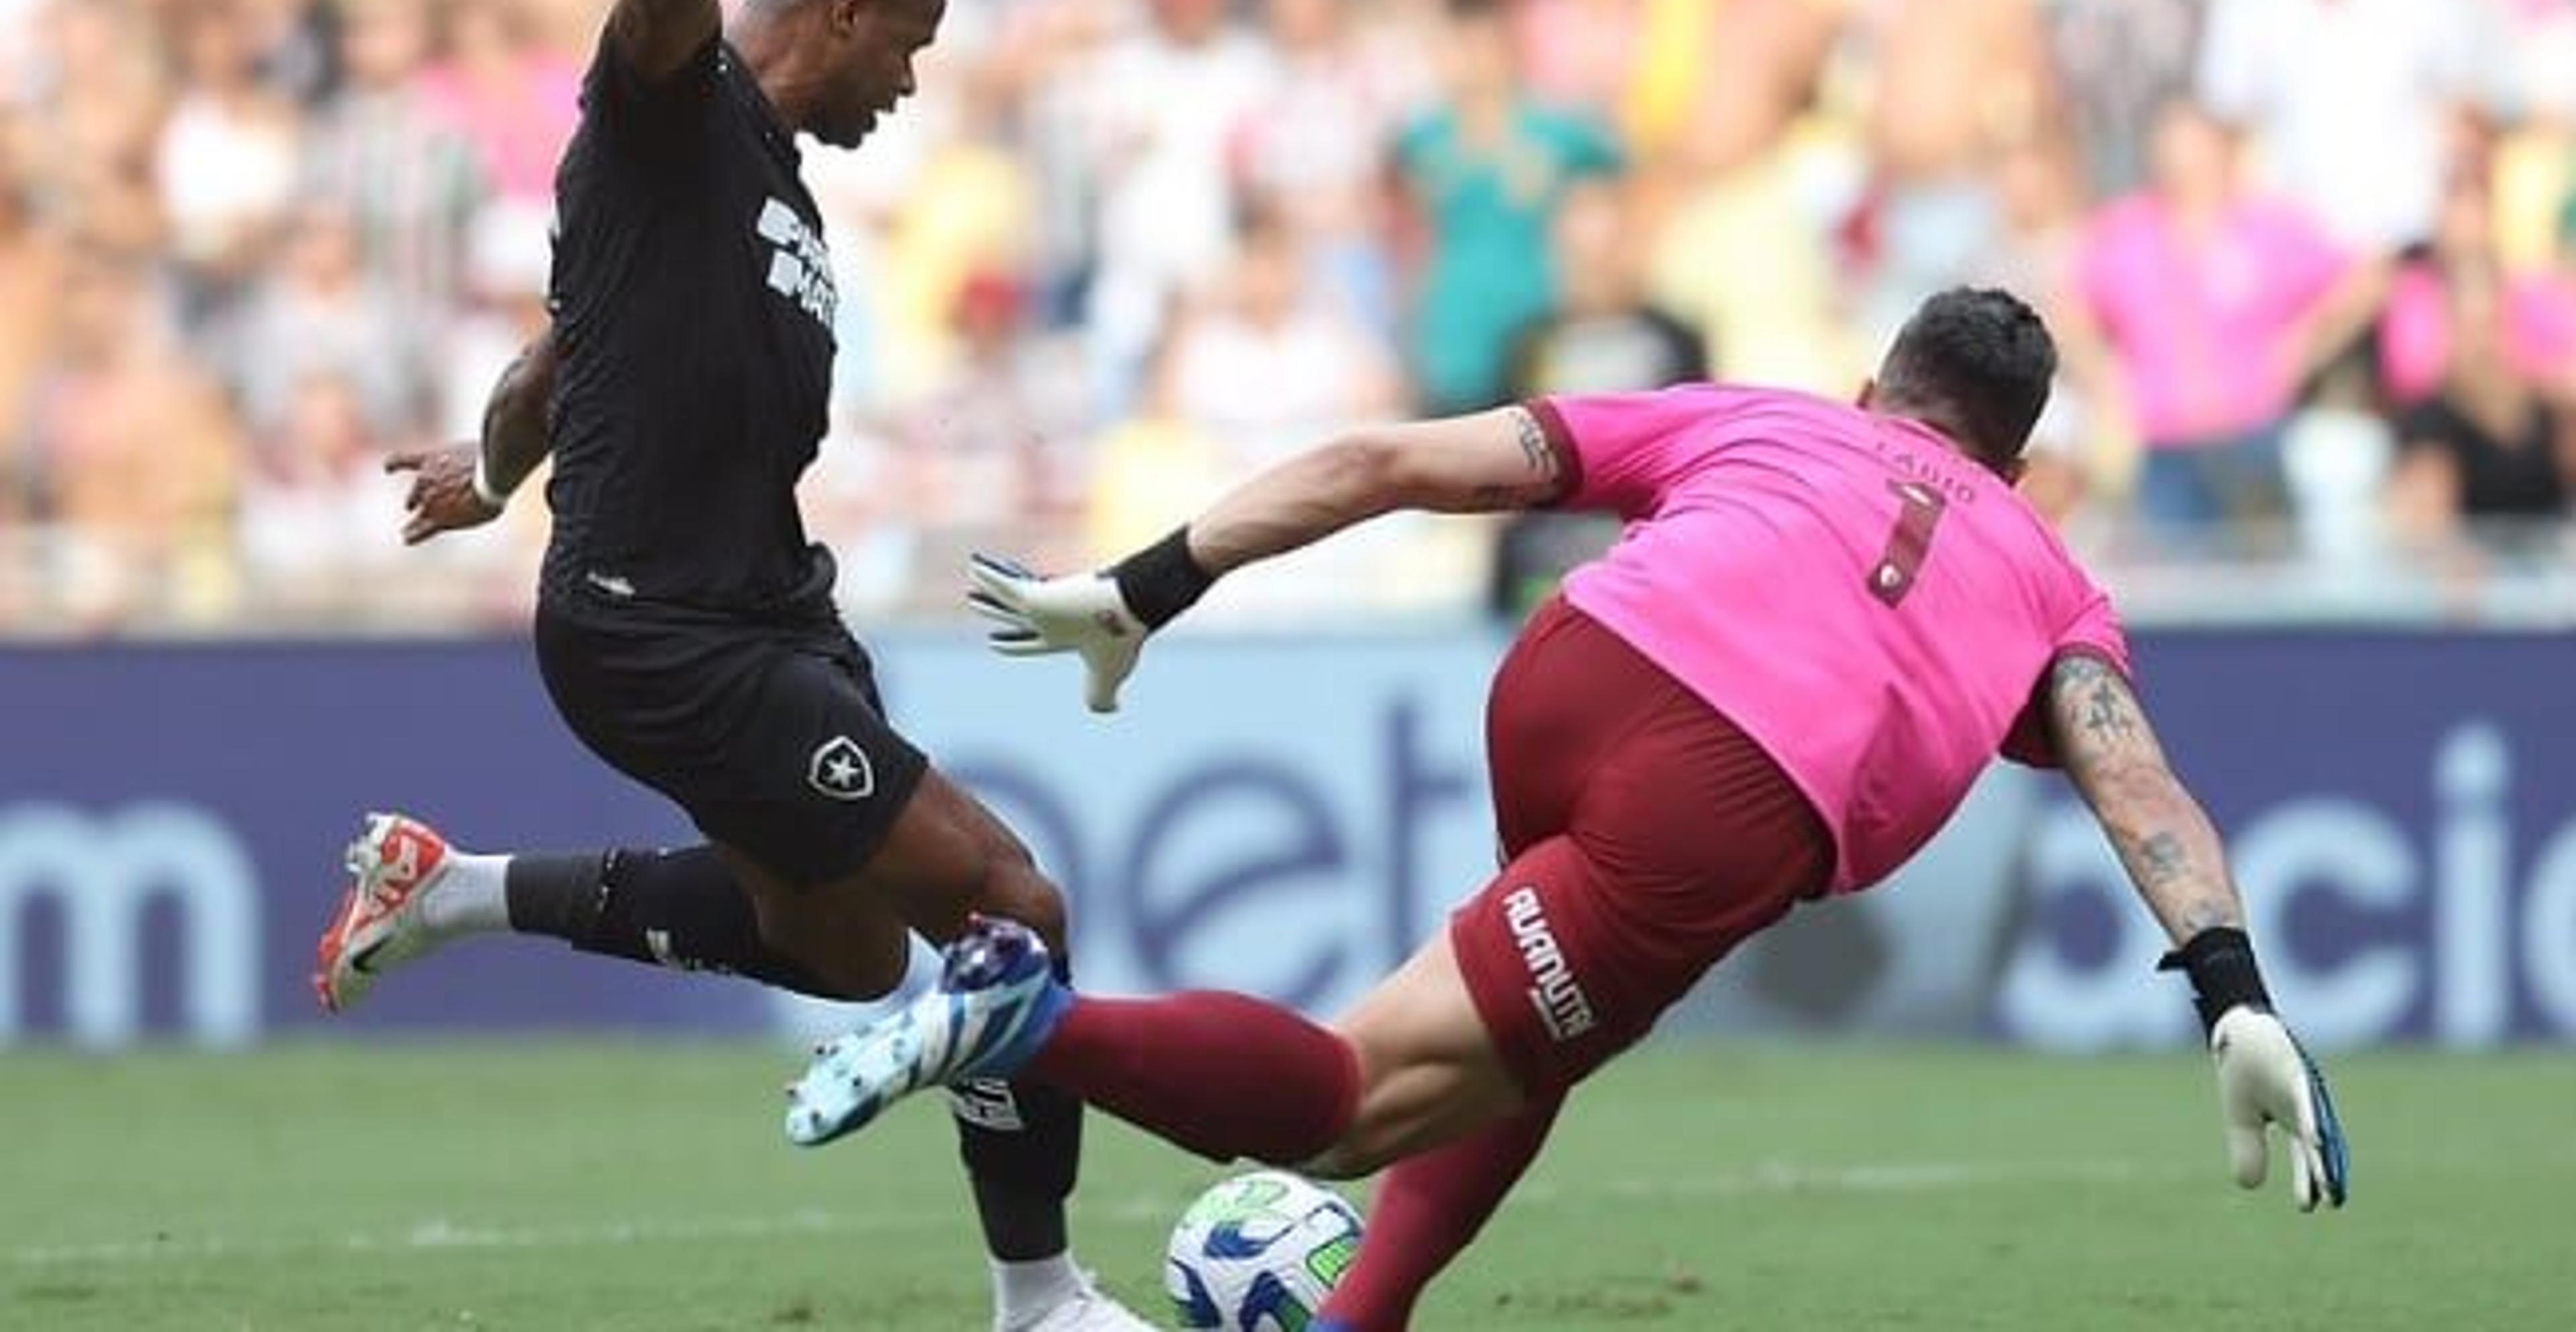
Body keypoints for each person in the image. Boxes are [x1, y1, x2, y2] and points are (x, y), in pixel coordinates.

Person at [784, 288, 2352, 1331]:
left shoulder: (1767, 417)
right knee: (1348, 1105)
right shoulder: (2044, 574)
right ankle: (1024, 1026)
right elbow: (2134, 778)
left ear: (1873, 388)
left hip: (1570, 670)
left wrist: (1146, 582)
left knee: (1538, 1038)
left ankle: (1359, 1316)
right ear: (2022, 461)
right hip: (1724, 795)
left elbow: (1387, 459)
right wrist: (2232, 993)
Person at [307, 0, 1151, 1332]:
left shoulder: (767, 198)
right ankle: (1041, 1301)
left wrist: (492, 477)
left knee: (841, 955)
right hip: (660, 627)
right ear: (839, 8)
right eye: (907, 48)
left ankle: (453, 892)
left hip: (767, 616)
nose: (909, 85)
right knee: (1010, 907)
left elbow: (555, 361)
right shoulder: (668, 111)